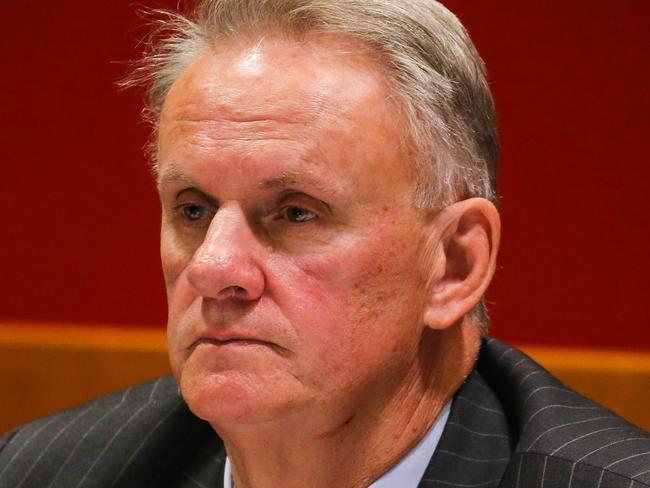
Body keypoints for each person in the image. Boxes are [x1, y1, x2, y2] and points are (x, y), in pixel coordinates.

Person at [1, 1, 648, 487]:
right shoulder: (51, 472)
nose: (213, 268)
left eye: (295, 213)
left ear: (454, 264)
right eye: (192, 210)